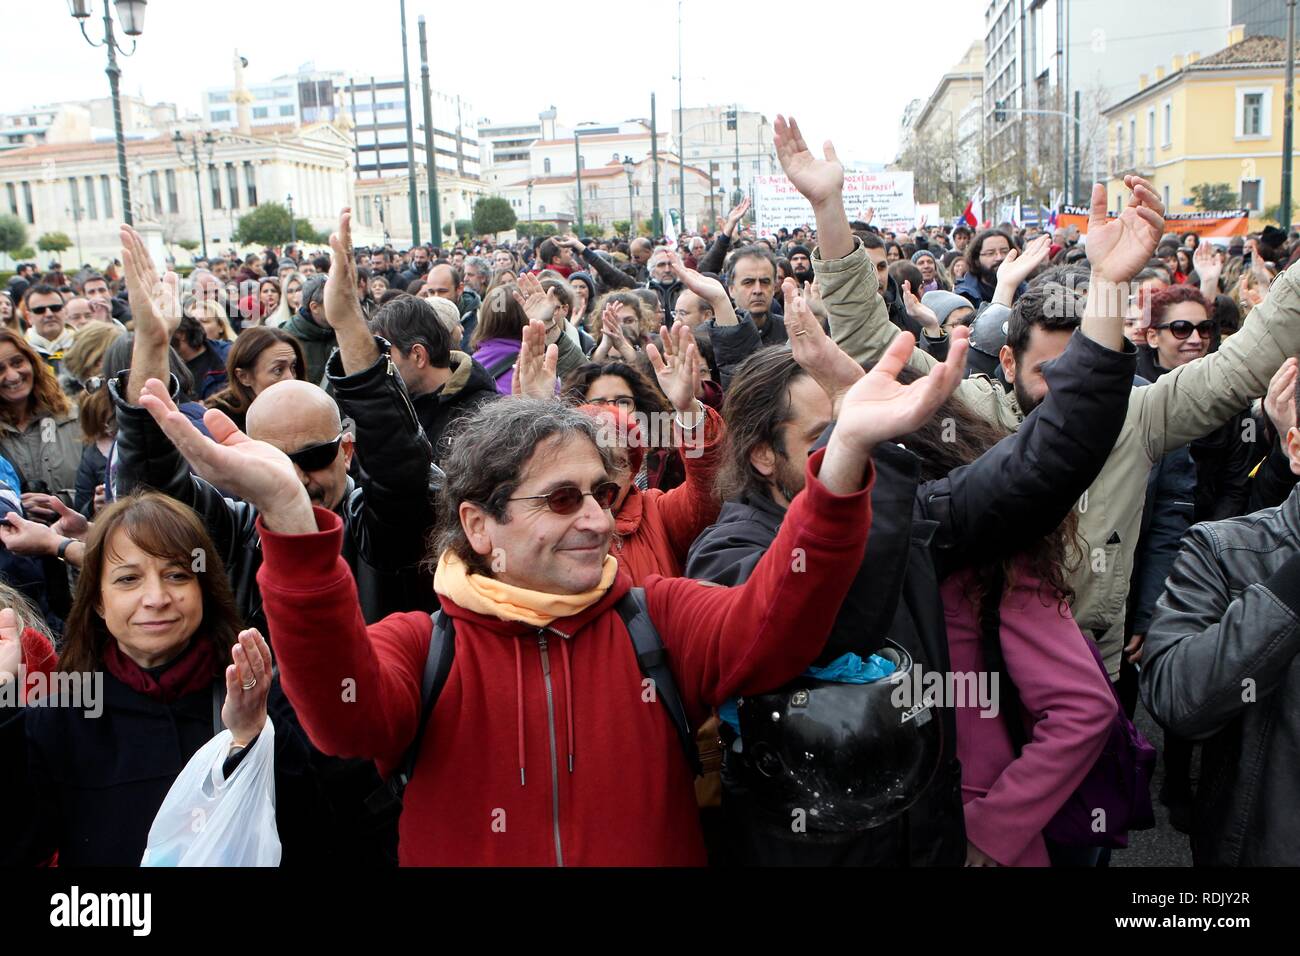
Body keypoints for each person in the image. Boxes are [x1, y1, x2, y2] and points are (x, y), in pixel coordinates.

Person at [139, 303, 974, 865]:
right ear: (479, 527)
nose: (597, 520)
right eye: (561, 499)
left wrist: (846, 462)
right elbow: (338, 709)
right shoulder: (420, 648)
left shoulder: (661, 621)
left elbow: (780, 621)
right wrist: (289, 514)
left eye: (605, 496)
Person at [790, 110, 1300, 683]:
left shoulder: (1138, 414)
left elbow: (1242, 363)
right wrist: (829, 212)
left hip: (1095, 669)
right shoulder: (967, 407)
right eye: (1053, 372)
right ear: (1007, 361)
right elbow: (870, 336)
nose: (1073, 393)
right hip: (984, 679)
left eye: (1085, 368)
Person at [687, 250, 1136, 863]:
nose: (855, 444)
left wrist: (1108, 290)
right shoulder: (727, 554)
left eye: (857, 427)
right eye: (830, 436)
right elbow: (812, 621)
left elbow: (1043, 461)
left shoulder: (907, 514)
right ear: (763, 456)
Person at [0, 492, 328, 866]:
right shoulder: (61, 715)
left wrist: (253, 737)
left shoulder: (260, 693)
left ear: (205, 590)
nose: (156, 598)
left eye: (177, 575)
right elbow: (19, 846)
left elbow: (314, 840)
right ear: (97, 601)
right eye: (128, 579)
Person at [1140, 406, 1300, 864]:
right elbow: (1177, 699)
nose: (1193, 336)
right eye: (1182, 327)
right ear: (1295, 448)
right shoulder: (1225, 552)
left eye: (1205, 327)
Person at [367, 290, 499, 463]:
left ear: (418, 356)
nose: (380, 365)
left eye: (386, 355)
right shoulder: (394, 405)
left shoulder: (485, 417)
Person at [0, 328, 83, 516]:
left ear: (33, 363)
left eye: (17, 362)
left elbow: (101, 484)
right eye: (0, 369)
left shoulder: (73, 417)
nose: (12, 376)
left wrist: (61, 502)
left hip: (78, 538)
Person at [205, 327, 307, 434]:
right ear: (244, 377)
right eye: (278, 370)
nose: (291, 378)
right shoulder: (219, 423)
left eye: (293, 367)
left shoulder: (309, 407)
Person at [282, 274, 337, 385]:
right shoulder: (287, 338)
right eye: (333, 301)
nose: (340, 306)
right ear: (315, 307)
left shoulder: (344, 329)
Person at [955, 229, 1019, 309]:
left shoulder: (1024, 288)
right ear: (976, 259)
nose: (999, 258)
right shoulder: (966, 296)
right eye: (990, 253)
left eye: (1004, 251)